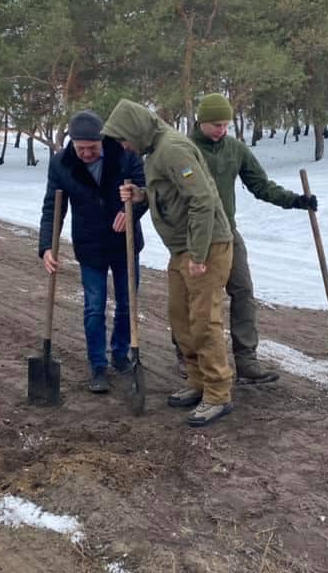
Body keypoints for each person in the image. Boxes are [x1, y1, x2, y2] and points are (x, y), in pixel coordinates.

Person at [103, 99, 235, 428]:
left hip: (204, 247)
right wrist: (141, 196)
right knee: (181, 319)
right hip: (181, 249)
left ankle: (218, 393)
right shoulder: (154, 152)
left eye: (123, 139)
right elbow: (171, 194)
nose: (124, 146)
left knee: (204, 321)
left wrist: (199, 255)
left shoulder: (173, 149)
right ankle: (197, 381)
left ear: (134, 130)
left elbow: (202, 200)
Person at [187, 93, 318, 385]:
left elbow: (260, 185)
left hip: (227, 232)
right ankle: (192, 361)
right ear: (201, 121)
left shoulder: (235, 149)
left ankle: (246, 360)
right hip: (193, 236)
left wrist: (296, 200)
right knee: (199, 302)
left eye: (225, 124)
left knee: (243, 291)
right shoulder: (184, 149)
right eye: (215, 124)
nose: (221, 130)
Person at [38, 110, 147, 394]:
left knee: (127, 302)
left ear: (103, 140)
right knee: (94, 307)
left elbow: (146, 192)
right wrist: (47, 246)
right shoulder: (61, 163)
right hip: (90, 244)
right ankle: (97, 366)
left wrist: (133, 210)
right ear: (72, 144)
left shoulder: (124, 154)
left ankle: (121, 354)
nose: (86, 153)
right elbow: (53, 206)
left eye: (92, 148)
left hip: (125, 243)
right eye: (80, 148)